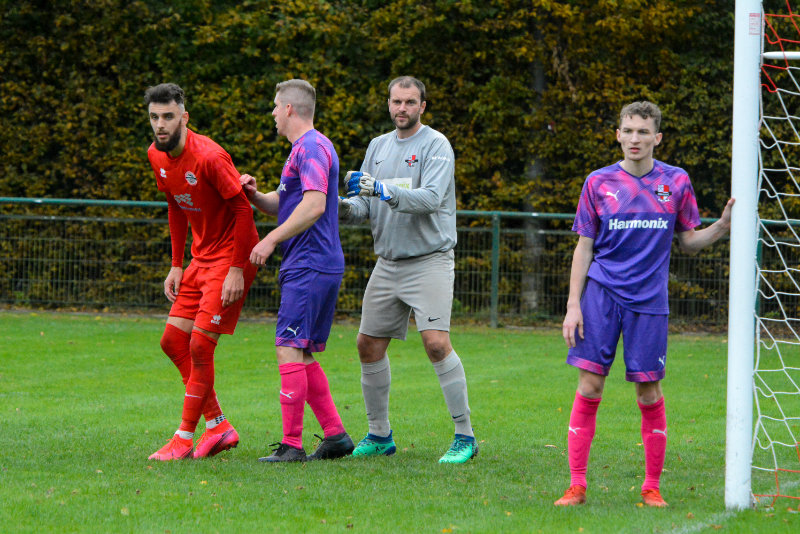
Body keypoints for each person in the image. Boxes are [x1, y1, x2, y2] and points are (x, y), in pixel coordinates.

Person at [555, 101, 735, 506]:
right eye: (628, 131)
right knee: (590, 384)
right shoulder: (598, 182)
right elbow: (584, 247)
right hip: (601, 295)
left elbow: (688, 241)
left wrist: (722, 227)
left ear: (657, 137)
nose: (634, 138)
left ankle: (652, 487)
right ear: (618, 135)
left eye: (643, 131)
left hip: (649, 301)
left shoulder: (676, 181)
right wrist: (573, 305)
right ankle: (577, 485)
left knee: (649, 392)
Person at [340, 76, 477, 464]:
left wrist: (381, 189)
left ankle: (465, 437)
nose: (402, 108)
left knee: (436, 343)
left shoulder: (436, 145)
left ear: (422, 106)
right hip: (388, 263)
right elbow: (363, 205)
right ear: (388, 104)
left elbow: (431, 199)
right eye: (396, 101)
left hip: (429, 260)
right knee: (367, 345)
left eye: (410, 102)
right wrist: (338, 207)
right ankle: (379, 435)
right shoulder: (377, 146)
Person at [144, 83, 259, 461]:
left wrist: (237, 269)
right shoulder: (156, 155)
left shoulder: (209, 156)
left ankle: (183, 437)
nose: (161, 125)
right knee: (172, 342)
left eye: (168, 116)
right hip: (200, 259)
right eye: (154, 117)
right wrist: (176, 264)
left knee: (199, 345)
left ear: (184, 117)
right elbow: (175, 206)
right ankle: (219, 425)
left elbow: (243, 211)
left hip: (230, 258)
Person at [240, 79, 353, 463]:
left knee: (288, 347)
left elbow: (315, 204)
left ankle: (292, 445)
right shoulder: (302, 150)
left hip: (310, 263)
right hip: (312, 263)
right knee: (300, 351)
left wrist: (270, 240)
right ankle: (336, 436)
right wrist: (256, 196)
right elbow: (287, 203)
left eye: (275, 106)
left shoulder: (312, 147)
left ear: (289, 108)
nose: (273, 113)